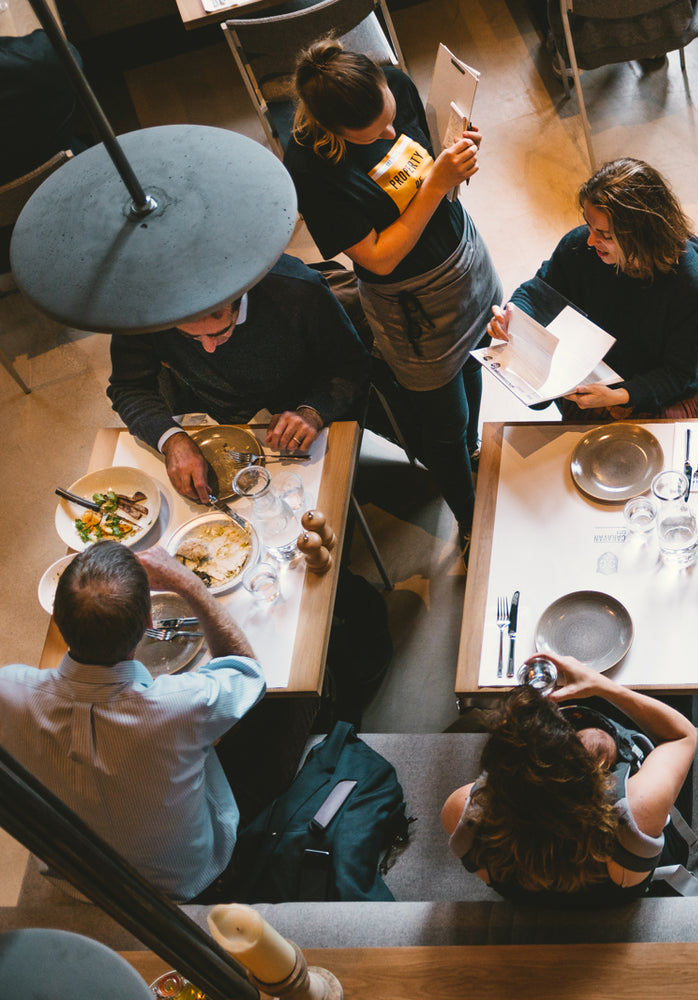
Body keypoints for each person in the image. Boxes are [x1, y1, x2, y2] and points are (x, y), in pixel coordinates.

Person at [285, 40, 503, 538]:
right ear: (333, 131)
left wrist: (458, 152)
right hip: (413, 305)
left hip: (466, 262)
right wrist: (435, 182)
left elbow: (430, 161)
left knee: (476, 358)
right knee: (441, 427)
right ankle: (471, 523)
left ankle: (471, 447)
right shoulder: (311, 167)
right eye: (375, 133)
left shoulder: (396, 86)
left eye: (391, 115)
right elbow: (379, 256)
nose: (391, 130)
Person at [0, 542, 265, 901]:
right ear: (150, 622)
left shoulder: (8, 690)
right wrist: (188, 583)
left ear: (57, 622)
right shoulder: (181, 704)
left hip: (81, 884)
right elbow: (249, 672)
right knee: (274, 719)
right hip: (190, 884)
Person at [106, 254, 370, 504]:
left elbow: (352, 363)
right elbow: (128, 387)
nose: (209, 349)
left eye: (220, 332)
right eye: (192, 338)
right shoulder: (142, 312)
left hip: (300, 407)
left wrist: (313, 411)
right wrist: (170, 438)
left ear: (239, 296)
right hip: (216, 416)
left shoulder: (297, 290)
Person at [442, 653, 697, 904]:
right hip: (621, 878)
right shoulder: (639, 810)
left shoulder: (462, 812)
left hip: (535, 901)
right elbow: (682, 735)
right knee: (676, 694)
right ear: (588, 774)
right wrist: (604, 687)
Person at [488, 158, 698, 421]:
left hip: (665, 391)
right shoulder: (580, 246)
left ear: (643, 235)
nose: (591, 240)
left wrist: (622, 395)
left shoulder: (689, 283)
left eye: (606, 235)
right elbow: (538, 292)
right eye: (589, 225)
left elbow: (679, 374)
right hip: (595, 375)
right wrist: (513, 314)